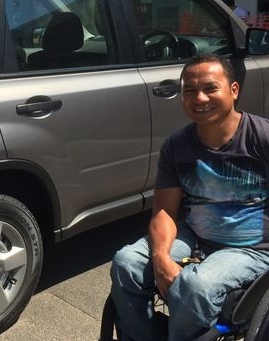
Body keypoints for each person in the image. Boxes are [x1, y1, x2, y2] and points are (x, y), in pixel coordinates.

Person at [110, 53, 269, 341]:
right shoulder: (177, 146)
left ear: (234, 90)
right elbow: (164, 212)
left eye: (210, 88)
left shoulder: (261, 138)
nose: (200, 98)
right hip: (194, 236)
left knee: (196, 286)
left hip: (252, 247)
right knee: (127, 262)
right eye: (190, 91)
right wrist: (160, 258)